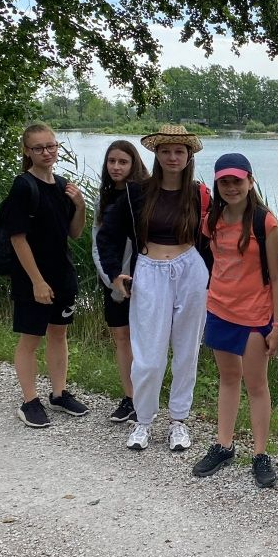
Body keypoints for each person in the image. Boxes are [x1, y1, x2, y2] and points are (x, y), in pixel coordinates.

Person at [96, 124, 210, 452]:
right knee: (147, 356)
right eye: (166, 151)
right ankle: (143, 419)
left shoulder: (199, 194)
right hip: (148, 269)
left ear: (188, 156)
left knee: (186, 350)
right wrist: (115, 274)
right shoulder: (137, 193)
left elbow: (214, 238)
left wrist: (214, 278)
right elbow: (108, 234)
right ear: (156, 154)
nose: (173, 157)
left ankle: (178, 421)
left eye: (179, 151)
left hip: (190, 270)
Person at [192, 153, 278, 488]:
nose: (231, 187)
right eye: (224, 182)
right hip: (220, 310)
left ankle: (260, 454)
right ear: (217, 184)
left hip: (255, 315)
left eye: (237, 181)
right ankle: (224, 445)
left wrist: (277, 325)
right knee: (228, 378)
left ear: (250, 181)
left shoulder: (265, 223)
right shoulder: (212, 220)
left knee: (256, 384)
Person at [6, 123, 89, 428]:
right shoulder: (23, 186)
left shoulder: (63, 186)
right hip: (33, 278)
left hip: (62, 274)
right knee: (31, 338)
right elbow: (17, 238)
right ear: (27, 151)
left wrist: (80, 205)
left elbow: (74, 233)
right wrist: (37, 281)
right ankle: (30, 401)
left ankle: (59, 393)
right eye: (38, 148)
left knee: (59, 333)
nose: (46, 152)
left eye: (51, 146)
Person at [91, 139, 149, 423]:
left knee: (145, 341)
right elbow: (97, 243)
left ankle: (147, 398)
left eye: (123, 162)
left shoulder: (144, 196)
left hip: (144, 280)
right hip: (114, 281)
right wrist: (111, 279)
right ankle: (130, 398)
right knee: (122, 338)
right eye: (111, 161)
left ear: (134, 164)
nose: (116, 167)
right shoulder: (102, 200)